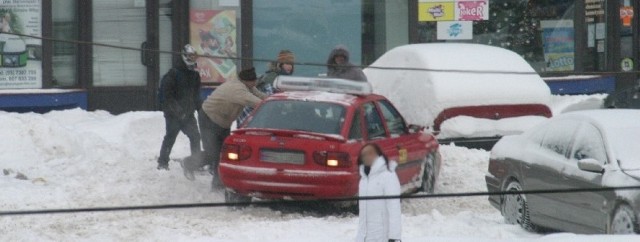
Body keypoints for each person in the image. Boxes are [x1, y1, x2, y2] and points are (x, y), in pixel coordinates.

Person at [183, 67, 267, 188]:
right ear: (248, 81)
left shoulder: (247, 86)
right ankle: (189, 163)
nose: (256, 83)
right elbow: (258, 103)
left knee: (224, 153)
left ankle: (218, 183)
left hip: (222, 122)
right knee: (213, 153)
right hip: (209, 118)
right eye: (254, 80)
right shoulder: (238, 90)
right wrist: (272, 105)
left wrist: (276, 99)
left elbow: (261, 96)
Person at [156, 44, 202, 170]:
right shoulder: (173, 74)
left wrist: (201, 111)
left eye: (194, 56)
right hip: (173, 114)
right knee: (170, 136)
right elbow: (167, 97)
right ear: (184, 56)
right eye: (190, 56)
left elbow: (196, 95)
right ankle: (162, 162)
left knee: (195, 137)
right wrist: (177, 111)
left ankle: (196, 163)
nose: (193, 59)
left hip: (188, 113)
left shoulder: (195, 75)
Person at [356, 143, 402, 242]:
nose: (367, 156)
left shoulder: (388, 176)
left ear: (378, 155)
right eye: (364, 154)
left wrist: (394, 237)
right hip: (364, 237)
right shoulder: (363, 180)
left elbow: (394, 208)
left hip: (382, 237)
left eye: (370, 153)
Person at [236, 50, 295, 125]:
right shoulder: (273, 79)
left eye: (291, 64)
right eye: (287, 63)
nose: (290, 67)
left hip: (258, 116)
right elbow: (270, 104)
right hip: (251, 117)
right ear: (280, 64)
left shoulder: (281, 78)